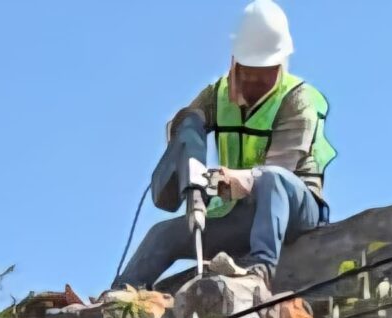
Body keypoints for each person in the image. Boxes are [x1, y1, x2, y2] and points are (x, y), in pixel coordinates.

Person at [114, 1, 335, 292]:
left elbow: (279, 172)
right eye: (249, 70)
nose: (254, 79)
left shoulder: (299, 99)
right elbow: (181, 127)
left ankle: (261, 271)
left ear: (279, 63)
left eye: (263, 71)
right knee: (162, 236)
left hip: (293, 210)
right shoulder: (217, 94)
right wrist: (187, 144)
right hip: (240, 213)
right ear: (235, 61)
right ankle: (114, 301)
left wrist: (233, 179)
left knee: (271, 180)